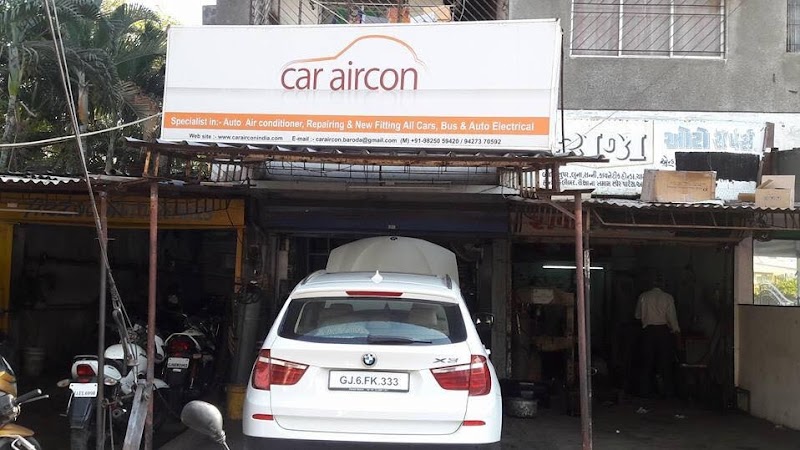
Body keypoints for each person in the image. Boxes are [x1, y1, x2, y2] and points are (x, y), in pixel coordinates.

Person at [635, 276, 680, 398]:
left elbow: (638, 316)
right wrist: (676, 332)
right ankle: (667, 392)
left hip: (648, 332)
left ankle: (644, 391)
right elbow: (672, 318)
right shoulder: (668, 298)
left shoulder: (643, 296)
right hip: (663, 332)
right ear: (663, 284)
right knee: (665, 362)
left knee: (646, 362)